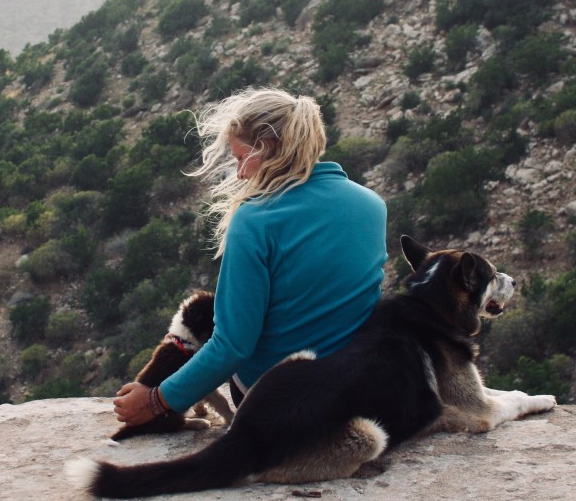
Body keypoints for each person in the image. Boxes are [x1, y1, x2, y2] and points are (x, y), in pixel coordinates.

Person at [112, 87, 388, 429]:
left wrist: (156, 400)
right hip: (354, 387)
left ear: (267, 147)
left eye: (241, 157)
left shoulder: (255, 219)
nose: (240, 173)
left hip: (278, 399)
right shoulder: (372, 205)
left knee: (202, 312)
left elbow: (233, 346)